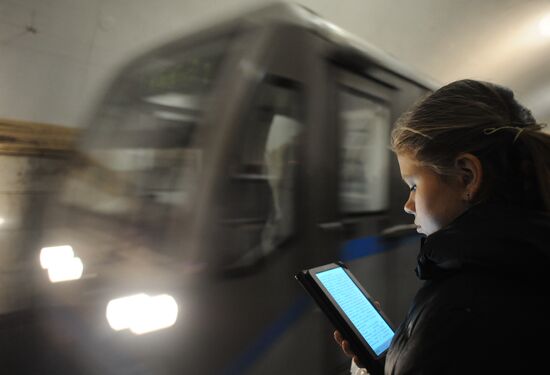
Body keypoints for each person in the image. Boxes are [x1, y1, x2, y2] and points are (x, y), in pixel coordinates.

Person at [334, 79, 550, 374]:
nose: (408, 206)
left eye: (413, 185)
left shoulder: (463, 312)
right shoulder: (522, 263)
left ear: (466, 176)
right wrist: (398, 356)